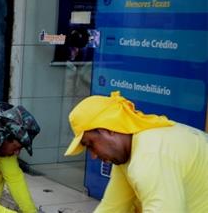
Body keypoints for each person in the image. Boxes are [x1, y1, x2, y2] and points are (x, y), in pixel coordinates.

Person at [64, 91, 208, 212]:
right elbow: (112, 207)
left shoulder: (150, 153)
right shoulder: (128, 154)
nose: (93, 155)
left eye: (90, 144)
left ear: (108, 130)